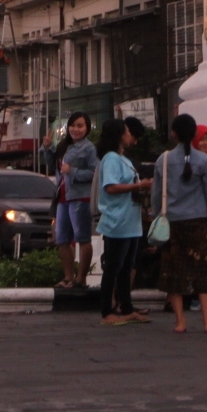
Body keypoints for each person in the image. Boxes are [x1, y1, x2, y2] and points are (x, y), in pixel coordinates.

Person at [152, 114, 207, 334]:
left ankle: (180, 322)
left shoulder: (162, 160)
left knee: (174, 271)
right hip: (199, 223)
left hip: (172, 222)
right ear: (195, 134)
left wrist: (157, 218)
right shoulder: (203, 161)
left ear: (173, 134)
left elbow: (156, 195)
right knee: (203, 271)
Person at [96, 118, 151, 326]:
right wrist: (139, 186)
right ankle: (106, 311)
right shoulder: (111, 159)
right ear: (120, 135)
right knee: (113, 266)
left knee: (126, 267)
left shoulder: (123, 158)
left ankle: (126, 307)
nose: (130, 136)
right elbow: (110, 187)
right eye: (127, 132)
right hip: (117, 220)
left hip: (130, 219)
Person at [53, 113, 96, 289]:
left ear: (87, 128)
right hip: (63, 196)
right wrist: (47, 148)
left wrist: (73, 171)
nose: (75, 129)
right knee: (61, 239)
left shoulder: (89, 148)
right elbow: (56, 168)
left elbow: (94, 173)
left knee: (83, 238)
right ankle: (68, 277)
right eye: (72, 125)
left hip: (80, 196)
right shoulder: (64, 146)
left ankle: (81, 278)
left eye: (80, 126)